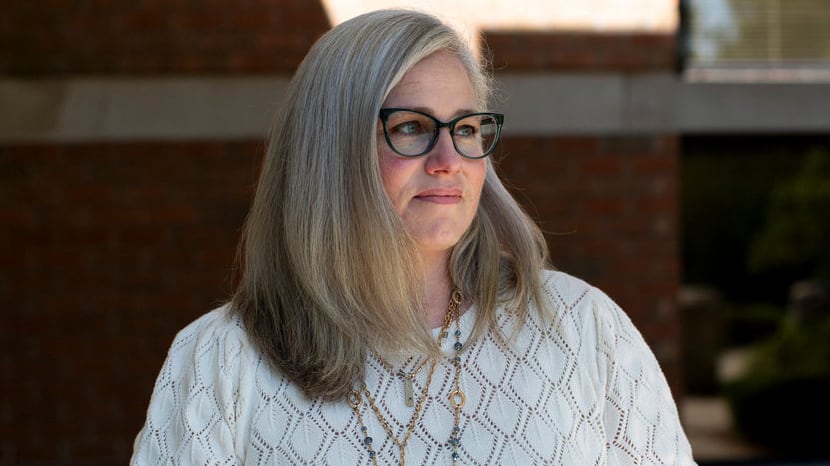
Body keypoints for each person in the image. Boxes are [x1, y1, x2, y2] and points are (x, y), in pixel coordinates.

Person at [131, 8, 696, 465]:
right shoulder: (223, 361)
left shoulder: (580, 330)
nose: (450, 159)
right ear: (330, 151)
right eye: (411, 128)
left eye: (467, 128)